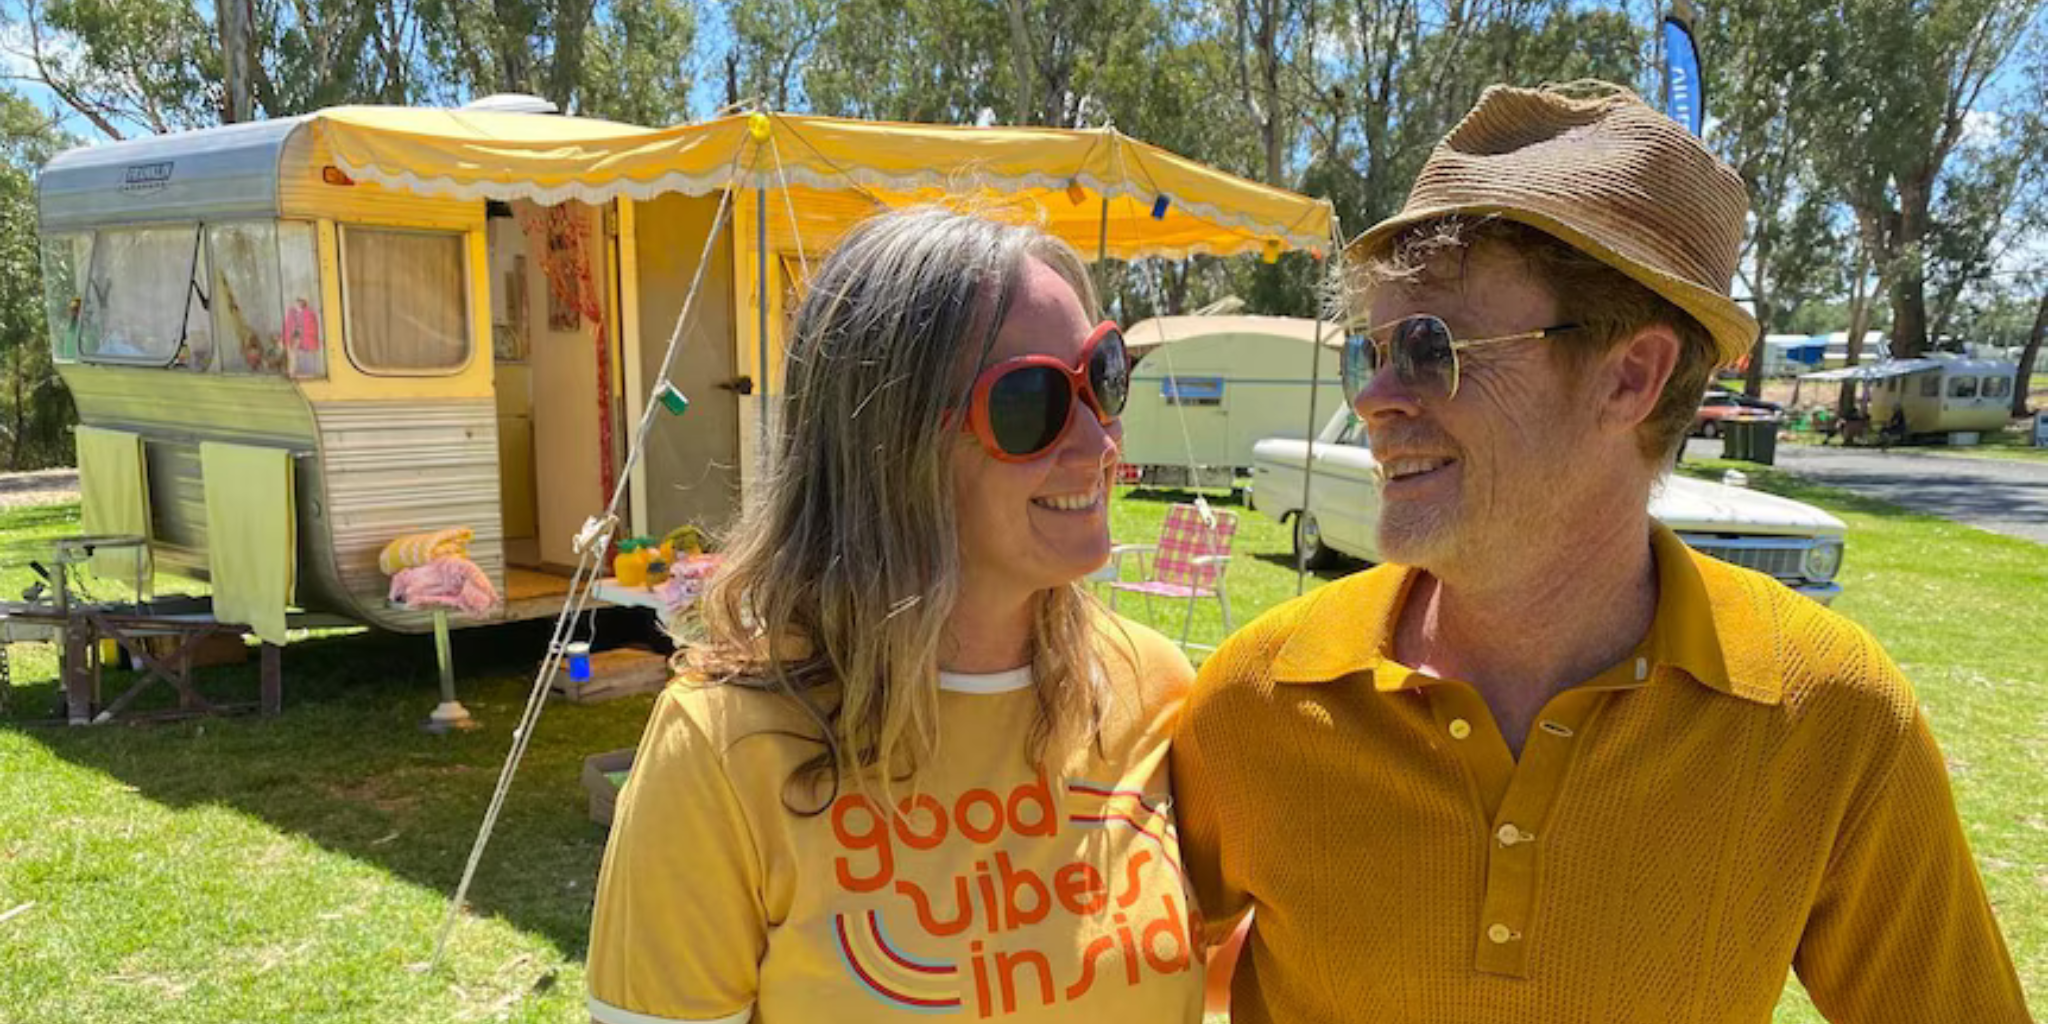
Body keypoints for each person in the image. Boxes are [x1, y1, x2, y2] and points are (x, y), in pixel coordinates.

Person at [1173, 84, 2031, 1023]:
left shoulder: (1828, 718)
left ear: (1631, 376)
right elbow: (1110, 973)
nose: (1377, 396)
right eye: (1368, 351)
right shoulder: (1258, 696)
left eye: (1428, 346)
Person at [587, 207, 1205, 1024]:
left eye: (1104, 375)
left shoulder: (1154, 688)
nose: (1098, 442)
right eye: (1034, 403)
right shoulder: (720, 750)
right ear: (888, 450)